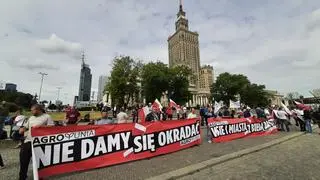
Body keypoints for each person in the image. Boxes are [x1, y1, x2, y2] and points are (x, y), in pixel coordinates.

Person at [19, 104, 54, 180]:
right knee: (23, 160)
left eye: (33, 110)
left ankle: (40, 176)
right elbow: (26, 126)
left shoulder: (47, 117)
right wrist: (23, 129)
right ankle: (22, 177)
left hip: (39, 142)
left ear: (38, 110)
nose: (31, 112)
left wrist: (41, 127)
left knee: (39, 162)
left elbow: (52, 127)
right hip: (28, 141)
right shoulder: (31, 117)